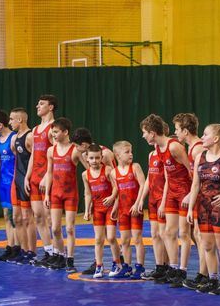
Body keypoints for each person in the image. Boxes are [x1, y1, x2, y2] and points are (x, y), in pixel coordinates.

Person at [141, 114, 192, 287]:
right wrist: (165, 199)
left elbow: (191, 170)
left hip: (184, 191)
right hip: (171, 192)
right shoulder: (158, 148)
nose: (143, 136)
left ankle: (182, 271)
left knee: (184, 233)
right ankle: (173, 268)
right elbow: (168, 175)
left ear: (152, 133)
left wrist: (191, 194)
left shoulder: (174, 146)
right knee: (169, 232)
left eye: (144, 132)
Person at [186, 124, 220, 295]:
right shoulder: (200, 157)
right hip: (203, 208)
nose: (202, 137)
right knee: (207, 245)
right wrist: (190, 209)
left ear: (216, 139)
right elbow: (195, 185)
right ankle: (213, 280)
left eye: (205, 134)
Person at [43, 118, 87, 272]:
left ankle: (70, 259)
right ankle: (60, 255)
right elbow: (49, 172)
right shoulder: (51, 150)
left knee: (69, 228)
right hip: (55, 193)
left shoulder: (75, 150)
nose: (53, 135)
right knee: (55, 229)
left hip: (70, 195)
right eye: (52, 132)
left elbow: (89, 169)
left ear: (66, 132)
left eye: (56, 132)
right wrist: (47, 194)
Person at [173, 113, 209, 290]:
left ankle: (205, 275)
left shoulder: (197, 149)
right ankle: (204, 273)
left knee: (200, 236)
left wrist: (191, 194)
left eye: (177, 129)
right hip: (197, 196)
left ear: (185, 131)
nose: (175, 132)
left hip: (202, 197)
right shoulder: (192, 148)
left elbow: (204, 177)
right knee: (197, 235)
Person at [24, 94, 55, 267]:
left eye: (41, 104)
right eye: (37, 103)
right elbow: (34, 155)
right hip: (35, 176)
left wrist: (46, 176)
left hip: (47, 177)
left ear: (50, 107)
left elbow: (56, 155)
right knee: (38, 216)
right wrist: (28, 176)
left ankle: (58, 253)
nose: (37, 106)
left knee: (49, 218)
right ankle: (48, 251)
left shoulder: (53, 128)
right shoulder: (35, 130)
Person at [82, 144, 121, 278]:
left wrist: (112, 197)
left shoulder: (108, 170)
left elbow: (116, 187)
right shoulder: (85, 175)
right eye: (92, 158)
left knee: (111, 237)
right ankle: (99, 266)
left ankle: (117, 263)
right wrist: (87, 210)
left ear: (101, 157)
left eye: (97, 158)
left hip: (109, 207)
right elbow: (88, 193)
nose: (94, 161)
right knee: (98, 239)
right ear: (87, 158)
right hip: (97, 209)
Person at [137, 121, 169, 281]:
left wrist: (164, 202)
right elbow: (149, 178)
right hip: (153, 199)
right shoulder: (151, 155)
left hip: (164, 198)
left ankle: (169, 267)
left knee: (164, 234)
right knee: (155, 234)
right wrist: (141, 199)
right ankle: (159, 267)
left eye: (144, 132)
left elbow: (170, 179)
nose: (143, 136)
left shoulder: (166, 152)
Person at [110, 141, 146, 279]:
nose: (131, 154)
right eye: (127, 152)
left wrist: (137, 204)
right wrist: (115, 208)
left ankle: (140, 267)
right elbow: (118, 192)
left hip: (135, 209)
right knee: (124, 240)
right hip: (123, 210)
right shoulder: (113, 173)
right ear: (118, 155)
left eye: (131, 151)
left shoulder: (135, 167)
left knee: (137, 239)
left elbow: (143, 185)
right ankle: (127, 267)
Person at [7, 108, 37, 264]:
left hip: (26, 180)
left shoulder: (30, 136)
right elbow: (16, 156)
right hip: (16, 181)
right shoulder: (14, 138)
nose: (9, 122)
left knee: (27, 218)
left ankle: (32, 252)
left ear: (20, 120)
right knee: (16, 218)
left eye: (12, 119)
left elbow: (35, 158)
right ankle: (23, 250)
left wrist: (27, 177)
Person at [0, 110, 18, 261]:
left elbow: (20, 162)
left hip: (13, 181)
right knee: (6, 215)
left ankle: (17, 247)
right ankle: (10, 246)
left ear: (0, 125)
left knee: (14, 217)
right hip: (3, 182)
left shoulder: (14, 138)